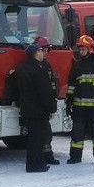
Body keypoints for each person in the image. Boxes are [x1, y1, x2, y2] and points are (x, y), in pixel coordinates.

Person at [66, 35, 94, 165]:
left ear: (90, 49)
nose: (80, 52)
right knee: (77, 135)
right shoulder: (77, 66)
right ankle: (75, 157)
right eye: (79, 49)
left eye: (83, 49)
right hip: (79, 108)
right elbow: (71, 85)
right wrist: (68, 101)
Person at [14, 37, 57, 172]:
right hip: (38, 111)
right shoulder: (39, 70)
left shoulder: (21, 68)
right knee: (37, 140)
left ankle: (35, 164)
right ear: (36, 53)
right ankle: (36, 165)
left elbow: (13, 87)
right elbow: (45, 92)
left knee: (33, 139)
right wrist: (51, 108)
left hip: (27, 109)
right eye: (40, 51)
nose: (43, 53)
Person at [34, 36, 61, 165]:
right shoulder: (35, 66)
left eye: (47, 50)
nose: (46, 53)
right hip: (37, 106)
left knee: (46, 133)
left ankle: (47, 155)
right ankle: (44, 156)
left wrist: (53, 104)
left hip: (45, 105)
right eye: (45, 50)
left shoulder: (46, 66)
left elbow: (52, 86)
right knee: (42, 133)